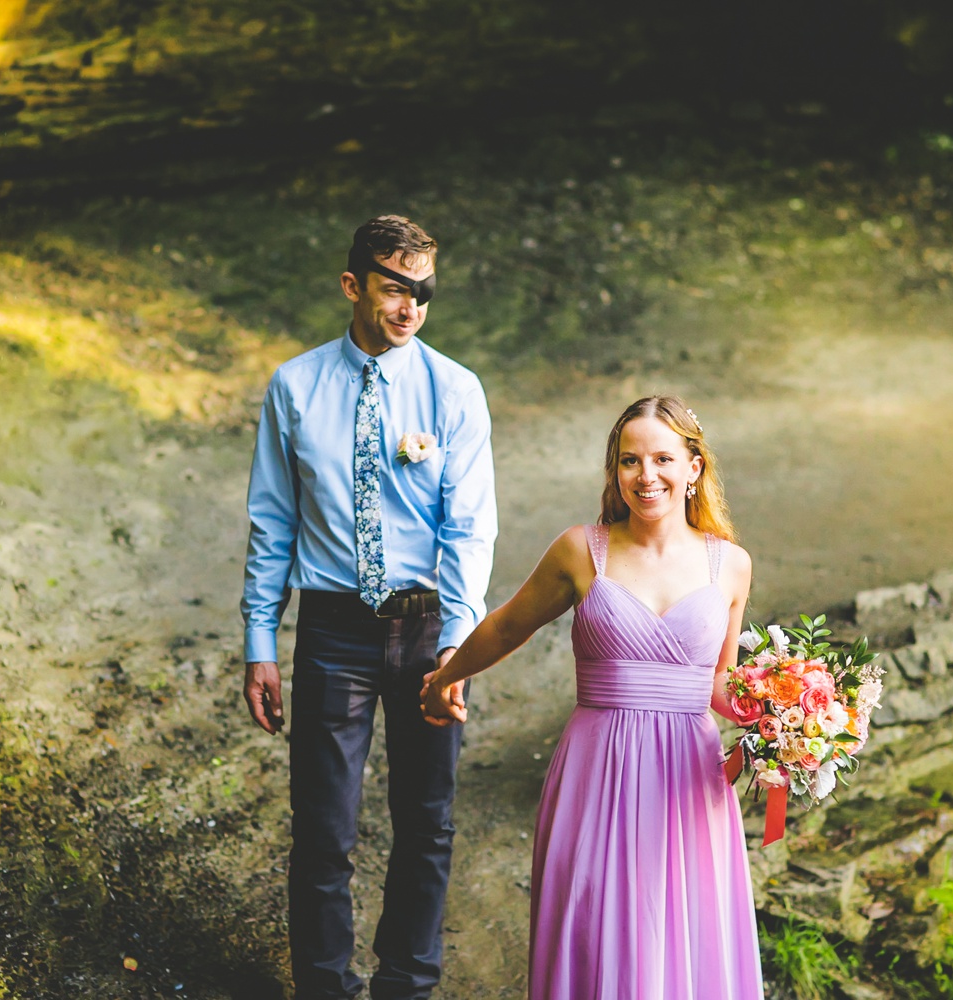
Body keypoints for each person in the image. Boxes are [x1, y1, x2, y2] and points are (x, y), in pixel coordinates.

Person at [421, 395, 764, 999]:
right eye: (630, 461)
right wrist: (447, 675)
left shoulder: (730, 566)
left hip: (688, 778)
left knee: (679, 928)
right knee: (596, 927)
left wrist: (789, 719)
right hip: (597, 767)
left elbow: (718, 681)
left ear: (694, 469)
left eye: (662, 459)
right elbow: (507, 626)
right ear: (615, 472)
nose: (646, 476)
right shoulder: (583, 550)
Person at [241, 215, 498, 1000]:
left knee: (428, 821)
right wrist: (259, 638)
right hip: (332, 631)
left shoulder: (454, 390)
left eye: (423, 292)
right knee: (323, 830)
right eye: (395, 288)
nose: (410, 307)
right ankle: (324, 986)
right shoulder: (294, 387)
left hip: (429, 629)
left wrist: (458, 647)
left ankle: (406, 984)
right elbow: (272, 518)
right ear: (354, 285)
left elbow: (469, 526)